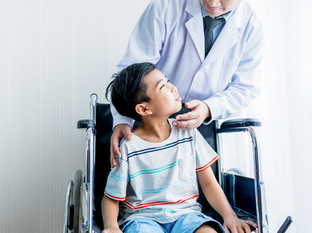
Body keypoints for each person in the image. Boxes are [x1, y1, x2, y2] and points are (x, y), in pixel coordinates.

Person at [102, 62, 257, 233]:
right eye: (163, 86)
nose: (173, 87)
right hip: (143, 219)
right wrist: (111, 226)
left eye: (168, 81)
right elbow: (111, 197)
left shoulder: (188, 133)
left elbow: (209, 183)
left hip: (187, 216)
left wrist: (230, 216)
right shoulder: (128, 147)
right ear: (144, 109)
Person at [110, 0, 263, 168]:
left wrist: (209, 108)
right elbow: (132, 72)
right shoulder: (165, 6)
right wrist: (122, 120)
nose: (212, 2)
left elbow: (245, 87)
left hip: (203, 123)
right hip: (150, 117)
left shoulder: (251, 25)